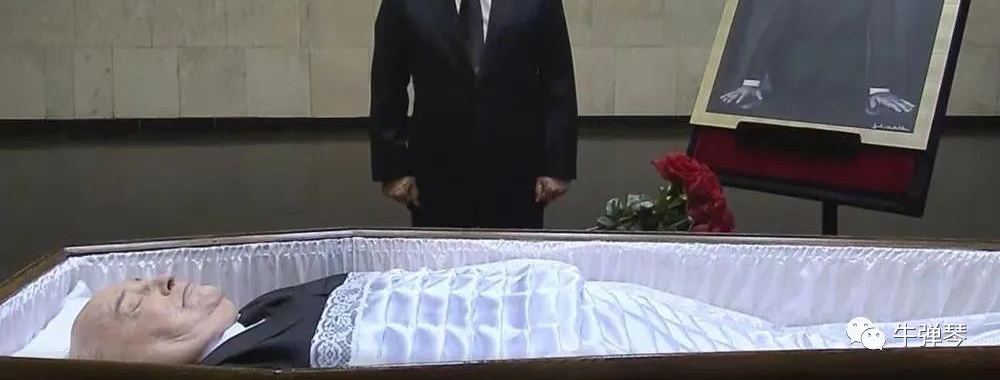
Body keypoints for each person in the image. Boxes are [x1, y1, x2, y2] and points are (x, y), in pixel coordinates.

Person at [66, 258, 996, 369]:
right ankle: (968, 340)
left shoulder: (261, 311)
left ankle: (965, 332)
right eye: (132, 301)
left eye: (142, 278)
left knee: (786, 341)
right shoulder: (250, 364)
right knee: (812, 354)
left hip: (594, 304)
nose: (159, 281)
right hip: (590, 346)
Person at [369, 0, 578, 229]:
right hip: (434, 173)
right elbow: (388, 81)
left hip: (517, 171)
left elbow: (557, 79)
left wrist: (557, 165)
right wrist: (393, 168)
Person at [718, 0, 915, 129]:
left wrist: (879, 89)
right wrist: (752, 82)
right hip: (791, 76)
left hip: (845, 83)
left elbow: (881, 31)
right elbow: (776, 26)